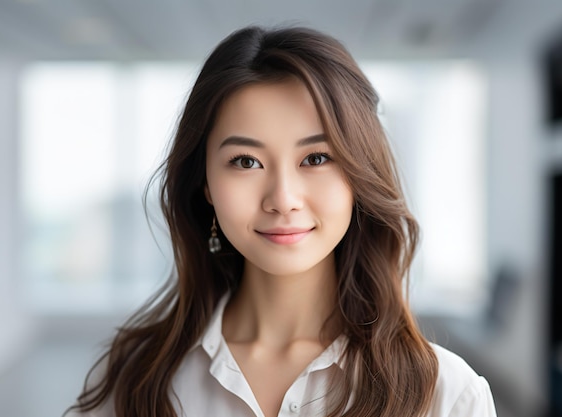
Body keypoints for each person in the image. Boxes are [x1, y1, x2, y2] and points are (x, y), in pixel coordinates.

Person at [66, 25, 497, 417]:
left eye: (316, 158)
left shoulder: (446, 396)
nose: (283, 199)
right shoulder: (135, 378)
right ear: (206, 185)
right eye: (246, 161)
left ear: (358, 176)